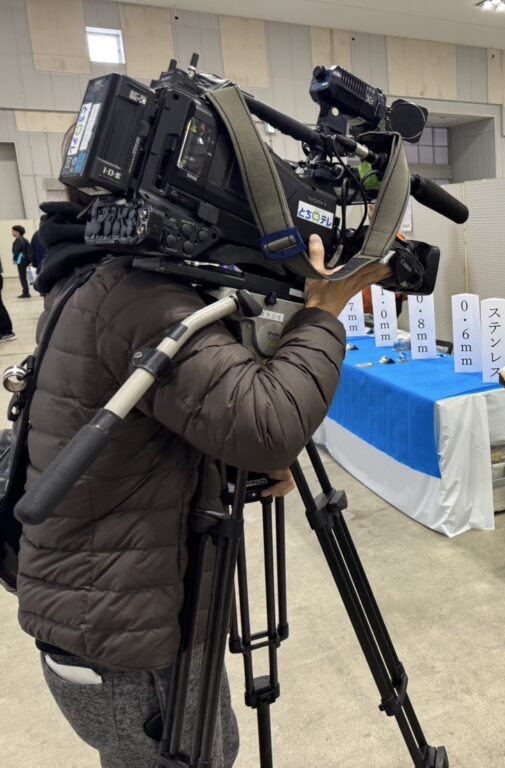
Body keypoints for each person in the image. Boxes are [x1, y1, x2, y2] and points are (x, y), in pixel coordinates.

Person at [17, 198, 390, 766]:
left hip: (116, 605)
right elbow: (268, 425)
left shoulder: (93, 275)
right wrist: (322, 313)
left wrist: (243, 461)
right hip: (125, 632)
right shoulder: (138, 296)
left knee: (215, 748)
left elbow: (163, 423)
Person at [11, 224, 32, 298]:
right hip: (25, 260)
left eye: (13, 231)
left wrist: (15, 259)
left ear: (17, 232)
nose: (12, 232)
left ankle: (26, 293)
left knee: (22, 277)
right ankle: (26, 292)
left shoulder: (19, 240)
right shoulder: (24, 240)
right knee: (24, 277)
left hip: (21, 261)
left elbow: (17, 251)